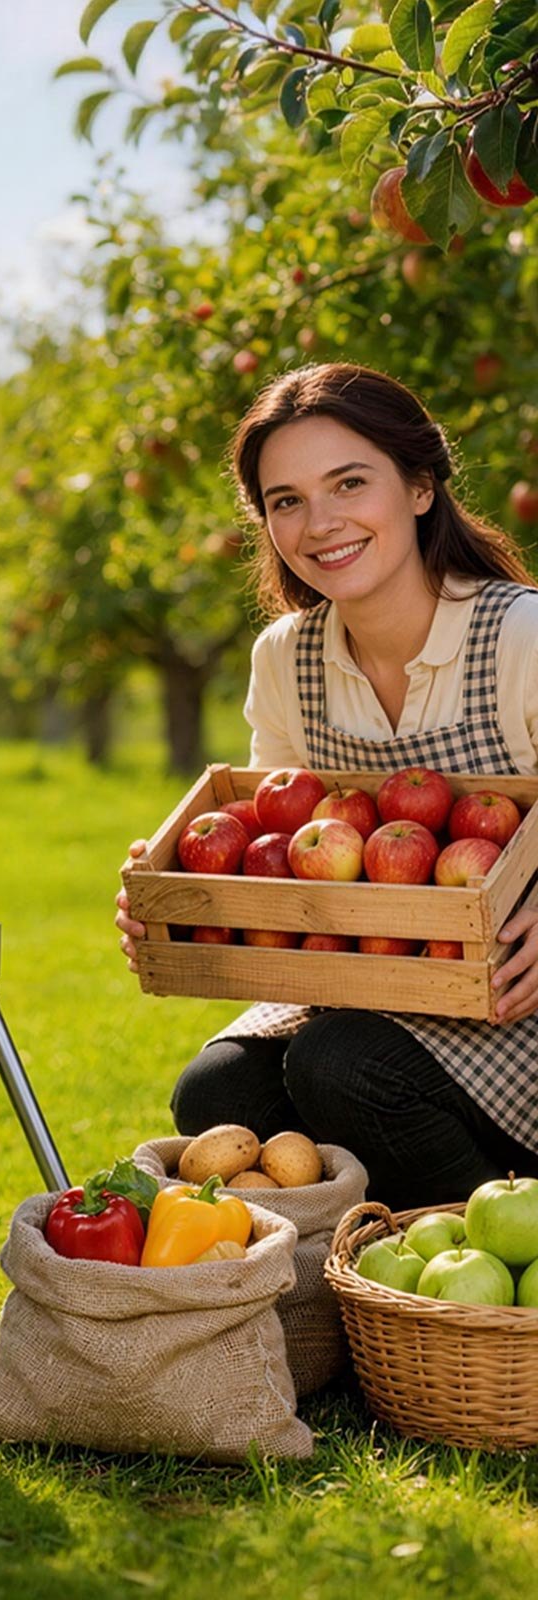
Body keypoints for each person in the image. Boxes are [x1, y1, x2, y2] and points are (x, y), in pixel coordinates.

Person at [115, 362, 538, 1212]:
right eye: (287, 500)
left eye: (350, 483)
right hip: (361, 985)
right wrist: (186, 897)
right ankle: (352, 1302)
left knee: (344, 1066)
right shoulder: (289, 657)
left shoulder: (517, 636)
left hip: (512, 1001)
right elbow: (272, 841)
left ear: (420, 486)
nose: (321, 523)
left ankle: (500, 1280)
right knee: (217, 1096)